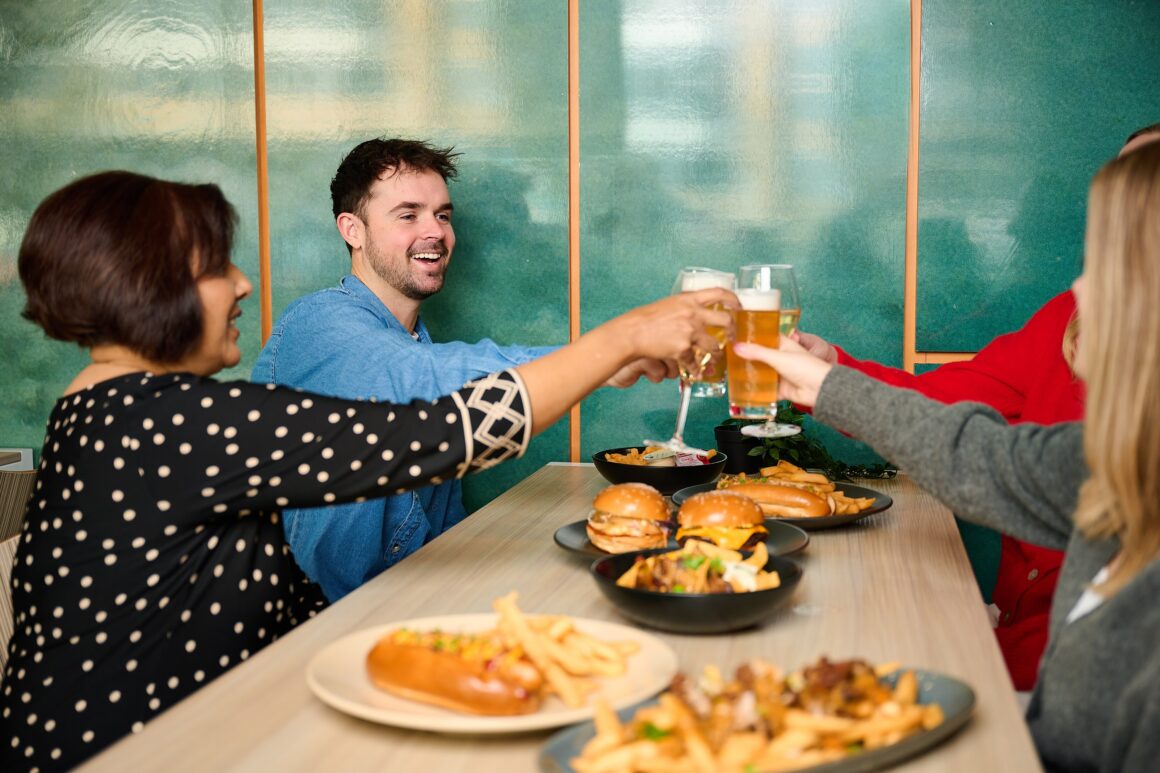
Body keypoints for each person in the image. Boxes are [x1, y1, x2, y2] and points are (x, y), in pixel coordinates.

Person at [0, 170, 734, 770]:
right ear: (151, 286)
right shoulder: (168, 418)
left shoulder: (106, 408)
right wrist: (622, 337)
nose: (244, 284)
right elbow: (443, 431)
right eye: (218, 266)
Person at [738, 141, 1160, 772]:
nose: (1078, 284)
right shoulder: (1112, 451)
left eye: (1111, 260)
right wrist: (829, 377)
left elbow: (980, 459)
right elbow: (968, 441)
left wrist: (825, 387)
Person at [253, 138, 662, 601]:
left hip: (397, 608)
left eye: (442, 216)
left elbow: (442, 529)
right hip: (308, 626)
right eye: (408, 215)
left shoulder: (418, 345)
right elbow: (417, 382)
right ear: (353, 230)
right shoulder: (318, 325)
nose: (435, 232)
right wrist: (605, 355)